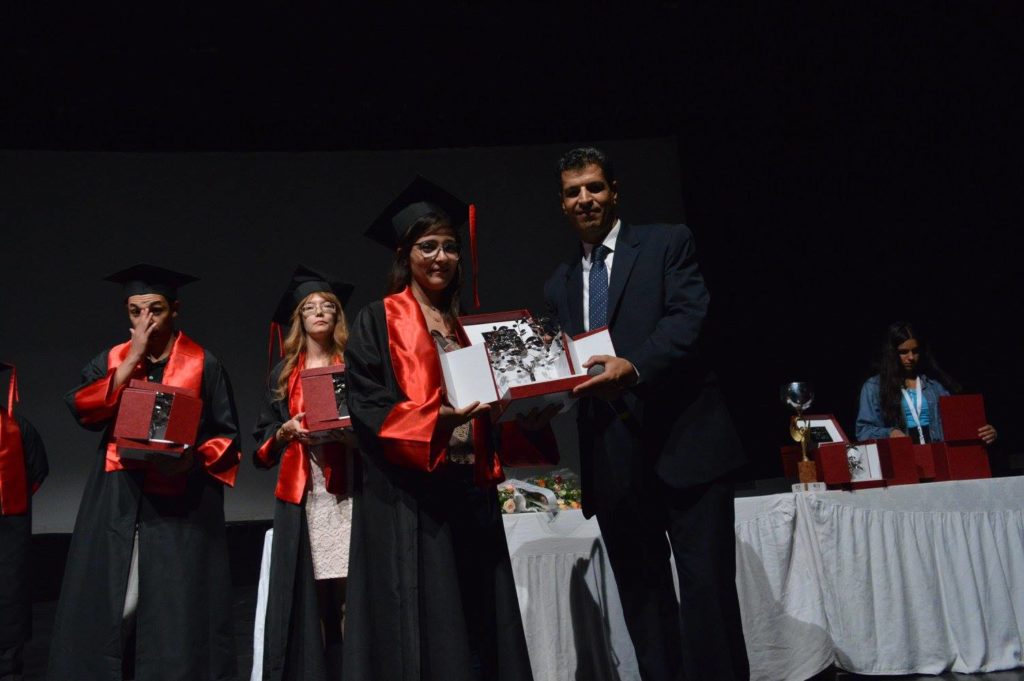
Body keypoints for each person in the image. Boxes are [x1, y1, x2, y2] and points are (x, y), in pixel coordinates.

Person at [542, 147, 749, 680]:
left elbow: (688, 319)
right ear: (562, 204)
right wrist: (536, 400)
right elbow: (564, 367)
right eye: (572, 192)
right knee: (642, 598)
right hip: (613, 460)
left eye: (594, 187)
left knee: (707, 593)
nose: (584, 199)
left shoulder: (666, 243)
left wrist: (633, 367)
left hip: (686, 446)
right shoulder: (558, 283)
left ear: (614, 191)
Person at [342, 176, 553, 681]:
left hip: (470, 490)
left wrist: (525, 416)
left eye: (450, 247)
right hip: (414, 496)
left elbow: (491, 405)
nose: (441, 257)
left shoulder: (468, 328)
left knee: (481, 617)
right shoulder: (378, 320)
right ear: (405, 254)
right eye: (428, 246)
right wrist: (433, 420)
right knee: (431, 622)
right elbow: (366, 404)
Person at [48, 264, 241, 681]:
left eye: (155, 309)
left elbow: (227, 438)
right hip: (118, 496)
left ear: (175, 310)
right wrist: (132, 358)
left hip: (180, 505)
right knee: (113, 606)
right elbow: (83, 410)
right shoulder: (113, 359)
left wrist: (192, 460)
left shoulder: (203, 363)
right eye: (135, 311)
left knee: (173, 612)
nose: (145, 320)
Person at [253, 265, 356, 681]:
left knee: (349, 595)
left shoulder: (353, 365)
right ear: (299, 319)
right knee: (313, 601)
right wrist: (285, 431)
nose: (319, 312)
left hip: (348, 490)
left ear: (337, 316)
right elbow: (262, 443)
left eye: (327, 306)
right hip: (305, 494)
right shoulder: (284, 374)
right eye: (310, 307)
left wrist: (352, 434)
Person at [855, 321, 997, 445]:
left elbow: (957, 426)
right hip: (900, 458)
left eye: (915, 351)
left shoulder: (935, 386)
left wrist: (985, 432)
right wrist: (890, 433)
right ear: (892, 353)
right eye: (904, 352)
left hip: (936, 456)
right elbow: (863, 431)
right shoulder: (874, 387)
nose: (911, 357)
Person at [0, 362, 48, 681]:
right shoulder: (19, 426)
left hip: (8, 531)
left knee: (9, 596)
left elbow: (37, 470)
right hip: (10, 526)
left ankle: (8, 669)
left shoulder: (18, 427)